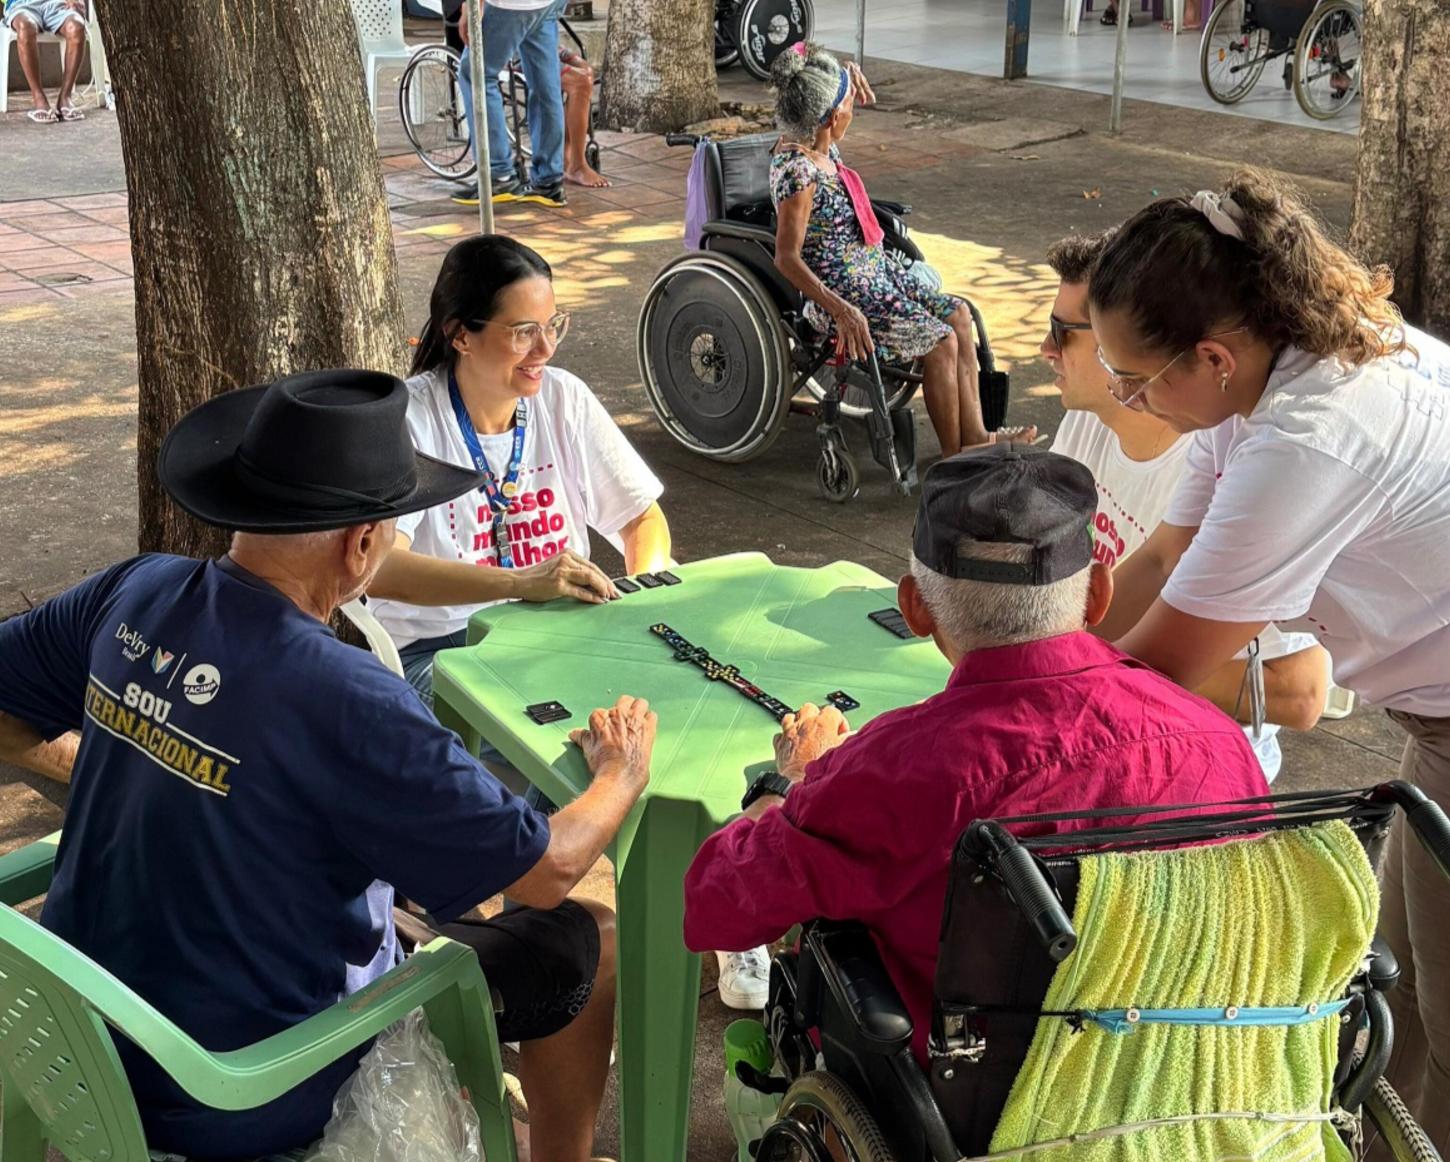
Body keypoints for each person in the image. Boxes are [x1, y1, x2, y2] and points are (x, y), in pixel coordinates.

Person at [0, 369, 653, 1162]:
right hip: (234, 1087)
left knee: (409, 878)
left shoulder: (138, 590)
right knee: (594, 935)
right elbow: (547, 869)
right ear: (362, 543)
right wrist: (620, 770)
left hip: (79, 1040)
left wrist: (131, 751)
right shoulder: (350, 699)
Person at [679, 445, 1269, 1063]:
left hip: (976, 1105)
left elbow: (713, 907)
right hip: (1190, 1083)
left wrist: (793, 781)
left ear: (914, 608)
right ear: (1098, 595)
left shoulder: (892, 773)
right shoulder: (1216, 740)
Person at [1084, 171, 1450, 1151]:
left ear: (1209, 355)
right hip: (1434, 713)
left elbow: (1161, 665)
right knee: (1394, 991)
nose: (1124, 398)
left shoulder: (1310, 435)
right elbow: (1161, 559)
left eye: (1132, 379)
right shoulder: (1257, 377)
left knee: (1445, 1026)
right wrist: (1033, 636)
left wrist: (1001, 691)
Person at [1041, 228, 1330, 782]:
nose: (1044, 350)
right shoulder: (1089, 420)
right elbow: (1158, 558)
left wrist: (1083, 667)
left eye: (1063, 332)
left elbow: (1302, 692)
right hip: (1115, 717)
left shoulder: (1250, 456)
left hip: (1194, 758)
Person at [366, 234, 671, 707]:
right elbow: (378, 565)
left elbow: (642, 519)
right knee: (576, 725)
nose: (545, 348)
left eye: (553, 326)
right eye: (524, 332)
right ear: (461, 334)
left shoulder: (563, 398)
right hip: (444, 650)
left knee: (662, 699)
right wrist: (521, 583)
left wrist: (643, 600)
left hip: (561, 633)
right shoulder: (412, 420)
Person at [767, 43, 1036, 458]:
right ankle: (955, 461)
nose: (853, 110)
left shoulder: (819, 142)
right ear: (832, 118)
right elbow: (786, 258)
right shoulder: (797, 173)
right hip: (844, 293)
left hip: (875, 271)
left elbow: (811, 83)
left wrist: (845, 71)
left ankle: (980, 438)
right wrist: (841, 309)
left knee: (960, 316)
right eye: (847, 104)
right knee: (942, 342)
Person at [453, 0, 569, 207]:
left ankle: (499, 175)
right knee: (545, 84)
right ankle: (549, 180)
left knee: (476, 74)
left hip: (512, 5)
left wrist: (471, 4)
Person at [3, 0, 88, 123]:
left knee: (77, 27)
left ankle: (65, 98)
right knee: (25, 26)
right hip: (22, 4)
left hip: (57, 3)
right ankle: (39, 99)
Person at [559, 44, 608, 189]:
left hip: (545, 39)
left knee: (587, 72)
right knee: (580, 81)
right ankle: (577, 165)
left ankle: (566, 156)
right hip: (519, 46)